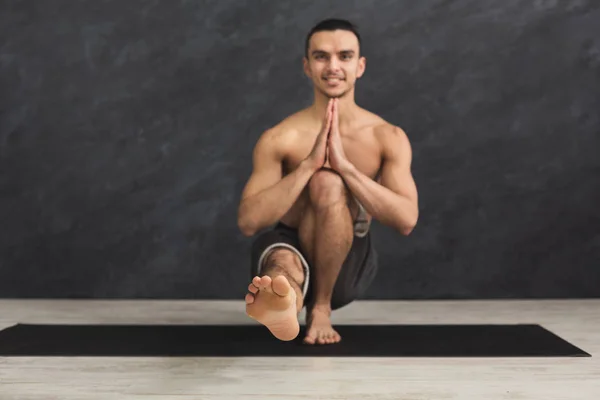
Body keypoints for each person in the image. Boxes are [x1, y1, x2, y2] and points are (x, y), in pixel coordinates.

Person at [237, 18, 419, 345]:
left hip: (348, 262)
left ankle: (320, 306)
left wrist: (345, 168)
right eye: (321, 56)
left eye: (344, 56)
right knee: (281, 264)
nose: (333, 66)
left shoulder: (386, 136)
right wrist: (307, 166)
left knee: (329, 182)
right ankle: (285, 304)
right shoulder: (281, 137)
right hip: (288, 241)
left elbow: (406, 220)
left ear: (360, 66)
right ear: (307, 66)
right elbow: (250, 222)